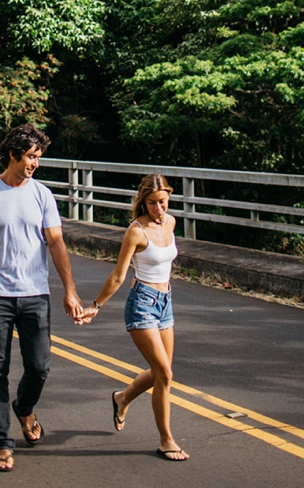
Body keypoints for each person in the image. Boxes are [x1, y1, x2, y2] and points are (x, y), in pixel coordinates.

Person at [0, 124, 87, 473]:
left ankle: (24, 406)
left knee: (39, 366)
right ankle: (2, 443)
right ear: (13, 154)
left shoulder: (42, 195)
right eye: (32, 156)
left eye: (38, 157)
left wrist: (70, 290)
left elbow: (57, 244)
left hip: (35, 293)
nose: (36, 163)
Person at [83, 174, 188, 461]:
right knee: (165, 374)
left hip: (165, 302)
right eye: (152, 203)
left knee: (160, 373)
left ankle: (122, 398)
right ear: (143, 202)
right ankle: (166, 440)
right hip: (141, 303)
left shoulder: (171, 223)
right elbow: (119, 274)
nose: (159, 209)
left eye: (163, 202)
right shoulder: (136, 231)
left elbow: (165, 262)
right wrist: (96, 305)